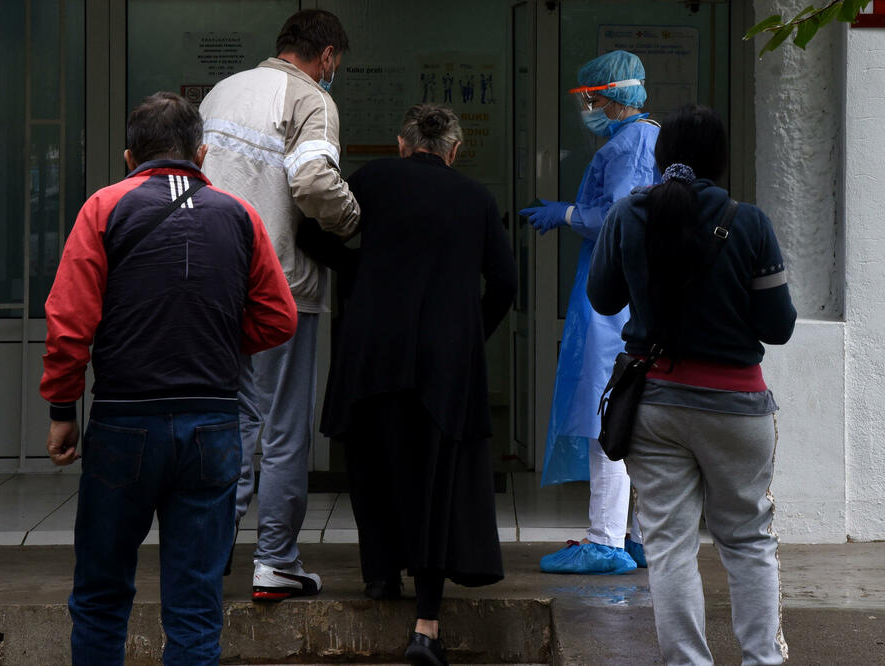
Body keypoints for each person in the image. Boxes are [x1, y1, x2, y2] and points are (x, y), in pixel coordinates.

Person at [40, 92, 297, 665]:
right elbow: (280, 317)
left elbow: (68, 324)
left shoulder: (104, 208)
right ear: (201, 154)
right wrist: (220, 340)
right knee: (195, 602)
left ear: (130, 156)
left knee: (103, 594)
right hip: (211, 427)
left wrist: (62, 410)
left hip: (123, 426)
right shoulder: (238, 214)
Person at [588, 103, 795, 665]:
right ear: (720, 160)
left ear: (662, 156)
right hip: (738, 409)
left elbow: (603, 298)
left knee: (670, 548)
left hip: (653, 405)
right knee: (749, 542)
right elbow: (779, 328)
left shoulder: (628, 216)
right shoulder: (750, 222)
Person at [319, 104, 516, 666]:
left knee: (371, 461)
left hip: (373, 348)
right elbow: (505, 280)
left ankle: (381, 575)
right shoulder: (476, 198)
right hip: (443, 359)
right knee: (435, 481)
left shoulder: (373, 179)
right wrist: (470, 329)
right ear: (453, 151)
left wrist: (363, 272)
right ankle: (426, 622)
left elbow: (316, 230)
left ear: (402, 144)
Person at [197, 9, 360, 600]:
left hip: (214, 289)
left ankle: (211, 555)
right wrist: (352, 221)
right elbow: (315, 183)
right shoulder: (310, 99)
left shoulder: (221, 93)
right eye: (334, 63)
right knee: (284, 429)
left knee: (230, 422)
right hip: (280, 290)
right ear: (326, 56)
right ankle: (275, 563)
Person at [520, 50, 659, 574]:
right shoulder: (643, 138)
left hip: (614, 301)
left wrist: (567, 213)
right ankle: (639, 537)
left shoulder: (630, 144)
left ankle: (606, 540)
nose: (589, 108)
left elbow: (619, 214)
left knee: (611, 414)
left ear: (615, 96)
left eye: (592, 98)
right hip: (627, 294)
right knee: (635, 418)